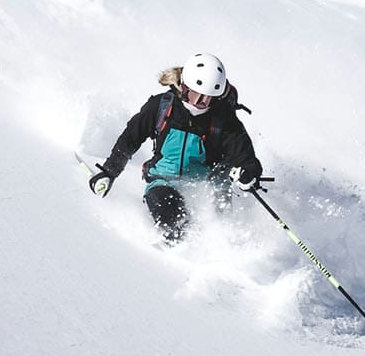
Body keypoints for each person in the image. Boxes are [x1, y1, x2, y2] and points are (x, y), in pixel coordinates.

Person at [88, 52, 263, 243]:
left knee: (219, 233)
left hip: (206, 187)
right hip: (163, 181)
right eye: (198, 95)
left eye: (209, 97)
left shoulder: (224, 120)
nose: (202, 102)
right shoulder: (162, 106)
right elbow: (131, 138)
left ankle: (225, 255)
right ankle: (176, 260)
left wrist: (248, 174)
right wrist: (109, 171)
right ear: (185, 87)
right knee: (175, 226)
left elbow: (245, 156)